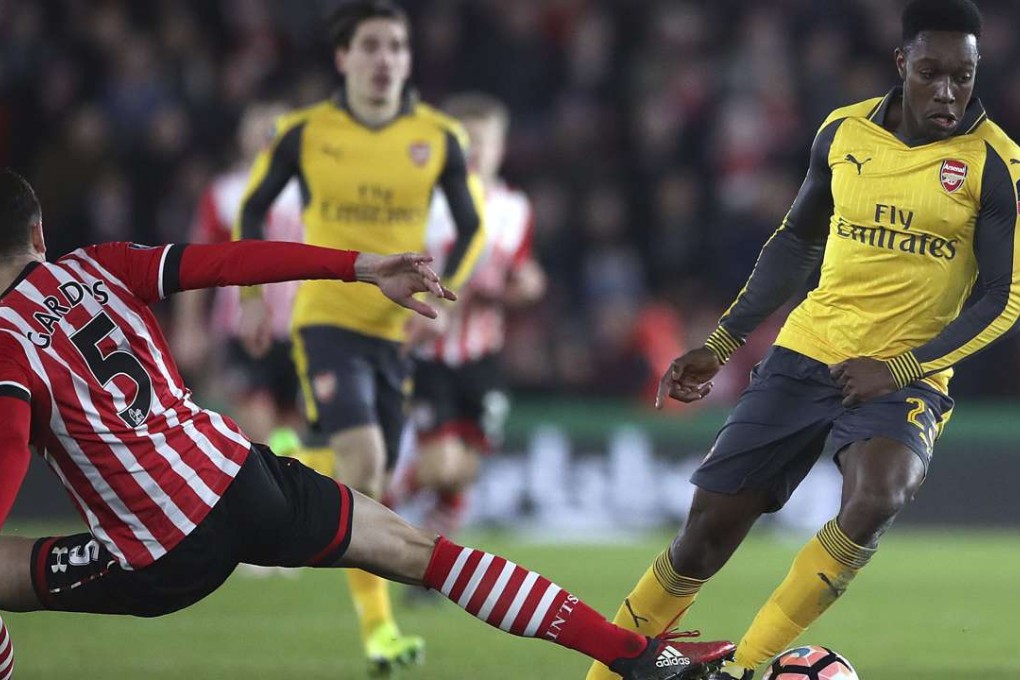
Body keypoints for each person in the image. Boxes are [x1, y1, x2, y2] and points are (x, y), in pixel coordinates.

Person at [0, 169, 735, 680]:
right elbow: (231, 260)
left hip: (156, 551)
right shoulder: (97, 266)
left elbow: (7, 450)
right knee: (423, 552)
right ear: (38, 230)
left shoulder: (5, 342)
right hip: (245, 481)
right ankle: (640, 657)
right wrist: (356, 266)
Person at [587, 1, 1020, 679]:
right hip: (806, 352)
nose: (947, 92)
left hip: (904, 376)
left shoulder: (995, 165)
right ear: (902, 62)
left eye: (962, 77)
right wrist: (723, 342)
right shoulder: (841, 133)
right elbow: (794, 243)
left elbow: (1004, 299)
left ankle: (745, 669)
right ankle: (600, 673)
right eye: (932, 72)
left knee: (879, 496)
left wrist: (900, 367)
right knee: (703, 539)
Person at [235, 1, 487, 670]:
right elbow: (252, 208)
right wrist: (254, 296)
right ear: (343, 58)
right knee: (368, 465)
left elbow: (472, 226)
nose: (386, 60)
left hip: (397, 330)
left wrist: (452, 294)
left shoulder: (437, 136)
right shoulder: (305, 132)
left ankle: (276, 460)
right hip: (328, 318)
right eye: (372, 46)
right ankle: (379, 633)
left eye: (397, 48)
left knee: (369, 485)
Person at [399, 92, 546, 543]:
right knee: (440, 465)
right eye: (467, 140)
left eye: (487, 140)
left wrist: (526, 286)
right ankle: (380, 496)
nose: (478, 150)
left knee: (465, 467)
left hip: (483, 353)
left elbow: (523, 274)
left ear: (502, 147)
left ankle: (433, 563)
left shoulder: (515, 209)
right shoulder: (428, 204)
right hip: (430, 352)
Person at [172, 101, 304, 446]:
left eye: (275, 125)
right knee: (258, 426)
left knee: (292, 430)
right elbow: (194, 263)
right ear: (242, 135)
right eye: (257, 124)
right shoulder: (226, 192)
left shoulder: (315, 193)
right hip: (241, 329)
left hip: (301, 329)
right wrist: (189, 325)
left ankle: (286, 487)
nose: (265, 132)